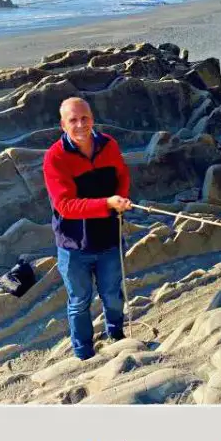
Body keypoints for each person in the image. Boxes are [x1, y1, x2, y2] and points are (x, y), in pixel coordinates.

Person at [42, 97, 132, 360]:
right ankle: (84, 353)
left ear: (92, 118)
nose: (80, 124)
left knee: (113, 296)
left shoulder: (109, 144)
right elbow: (65, 206)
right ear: (62, 125)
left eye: (85, 118)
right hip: (74, 246)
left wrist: (121, 198)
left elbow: (122, 175)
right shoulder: (54, 157)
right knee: (79, 302)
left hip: (109, 240)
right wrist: (107, 203)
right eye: (73, 120)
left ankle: (116, 336)